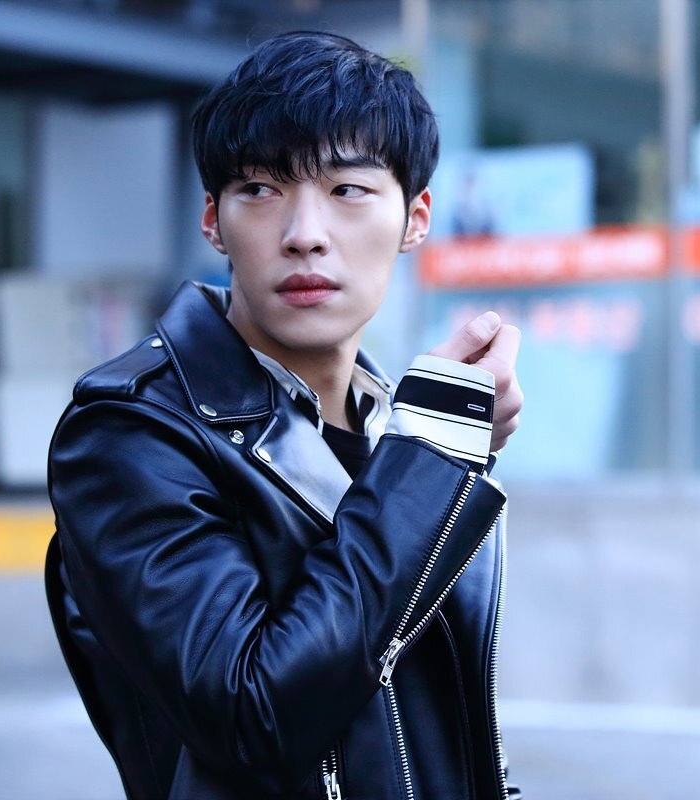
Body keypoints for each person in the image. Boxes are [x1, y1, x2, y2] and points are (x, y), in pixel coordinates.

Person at [45, 30, 523, 800]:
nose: (304, 235)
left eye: (348, 191)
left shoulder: (395, 428)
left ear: (416, 218)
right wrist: (432, 463)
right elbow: (254, 718)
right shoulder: (129, 432)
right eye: (261, 190)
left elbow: (436, 723)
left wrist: (437, 456)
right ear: (213, 221)